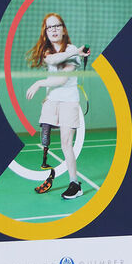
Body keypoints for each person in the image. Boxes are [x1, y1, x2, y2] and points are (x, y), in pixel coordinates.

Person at [25, 13, 89, 200]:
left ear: (63, 29)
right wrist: (76, 51)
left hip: (68, 101)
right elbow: (52, 61)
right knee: (45, 142)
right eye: (49, 27)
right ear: (45, 32)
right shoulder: (50, 51)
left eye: (56, 26)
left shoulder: (71, 51)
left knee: (66, 144)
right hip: (51, 101)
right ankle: (49, 174)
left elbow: (61, 80)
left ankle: (75, 184)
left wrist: (39, 83)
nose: (53, 30)